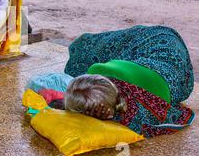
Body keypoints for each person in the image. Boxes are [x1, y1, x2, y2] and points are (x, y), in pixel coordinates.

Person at [62, 25, 195, 137]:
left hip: (162, 48)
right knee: (83, 47)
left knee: (82, 53)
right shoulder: (95, 69)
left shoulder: (147, 111)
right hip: (154, 44)